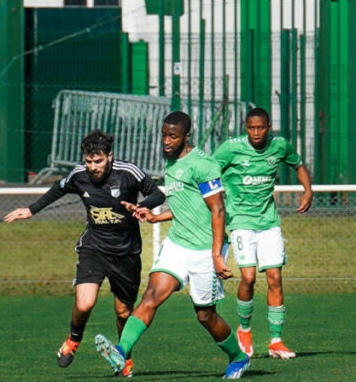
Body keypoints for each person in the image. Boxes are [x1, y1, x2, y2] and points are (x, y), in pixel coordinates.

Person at [94, 111, 251, 380]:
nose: (167, 141)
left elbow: (218, 210)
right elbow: (185, 204)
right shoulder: (170, 162)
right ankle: (121, 351)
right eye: (164, 135)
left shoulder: (204, 165)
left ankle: (238, 357)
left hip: (205, 249)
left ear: (186, 136)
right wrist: (157, 216)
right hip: (178, 243)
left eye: (173, 136)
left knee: (205, 316)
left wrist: (216, 255)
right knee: (151, 296)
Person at [3, 129, 164, 376]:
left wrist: (141, 206)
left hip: (126, 252)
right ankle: (74, 339)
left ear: (109, 156)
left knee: (123, 312)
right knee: (85, 303)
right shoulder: (79, 175)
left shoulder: (128, 172)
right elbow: (58, 188)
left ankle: (123, 356)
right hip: (94, 248)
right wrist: (32, 210)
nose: (92, 166)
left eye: (98, 161)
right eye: (88, 161)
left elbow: (157, 193)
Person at [212, 106, 312, 359]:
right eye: (250, 128)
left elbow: (298, 164)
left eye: (260, 128)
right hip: (240, 221)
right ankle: (244, 330)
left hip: (269, 221)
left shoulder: (280, 146)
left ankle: (276, 341)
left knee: (275, 278)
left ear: (269, 128)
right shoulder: (231, 148)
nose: (255, 133)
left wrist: (308, 190)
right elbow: (209, 172)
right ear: (246, 128)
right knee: (247, 278)